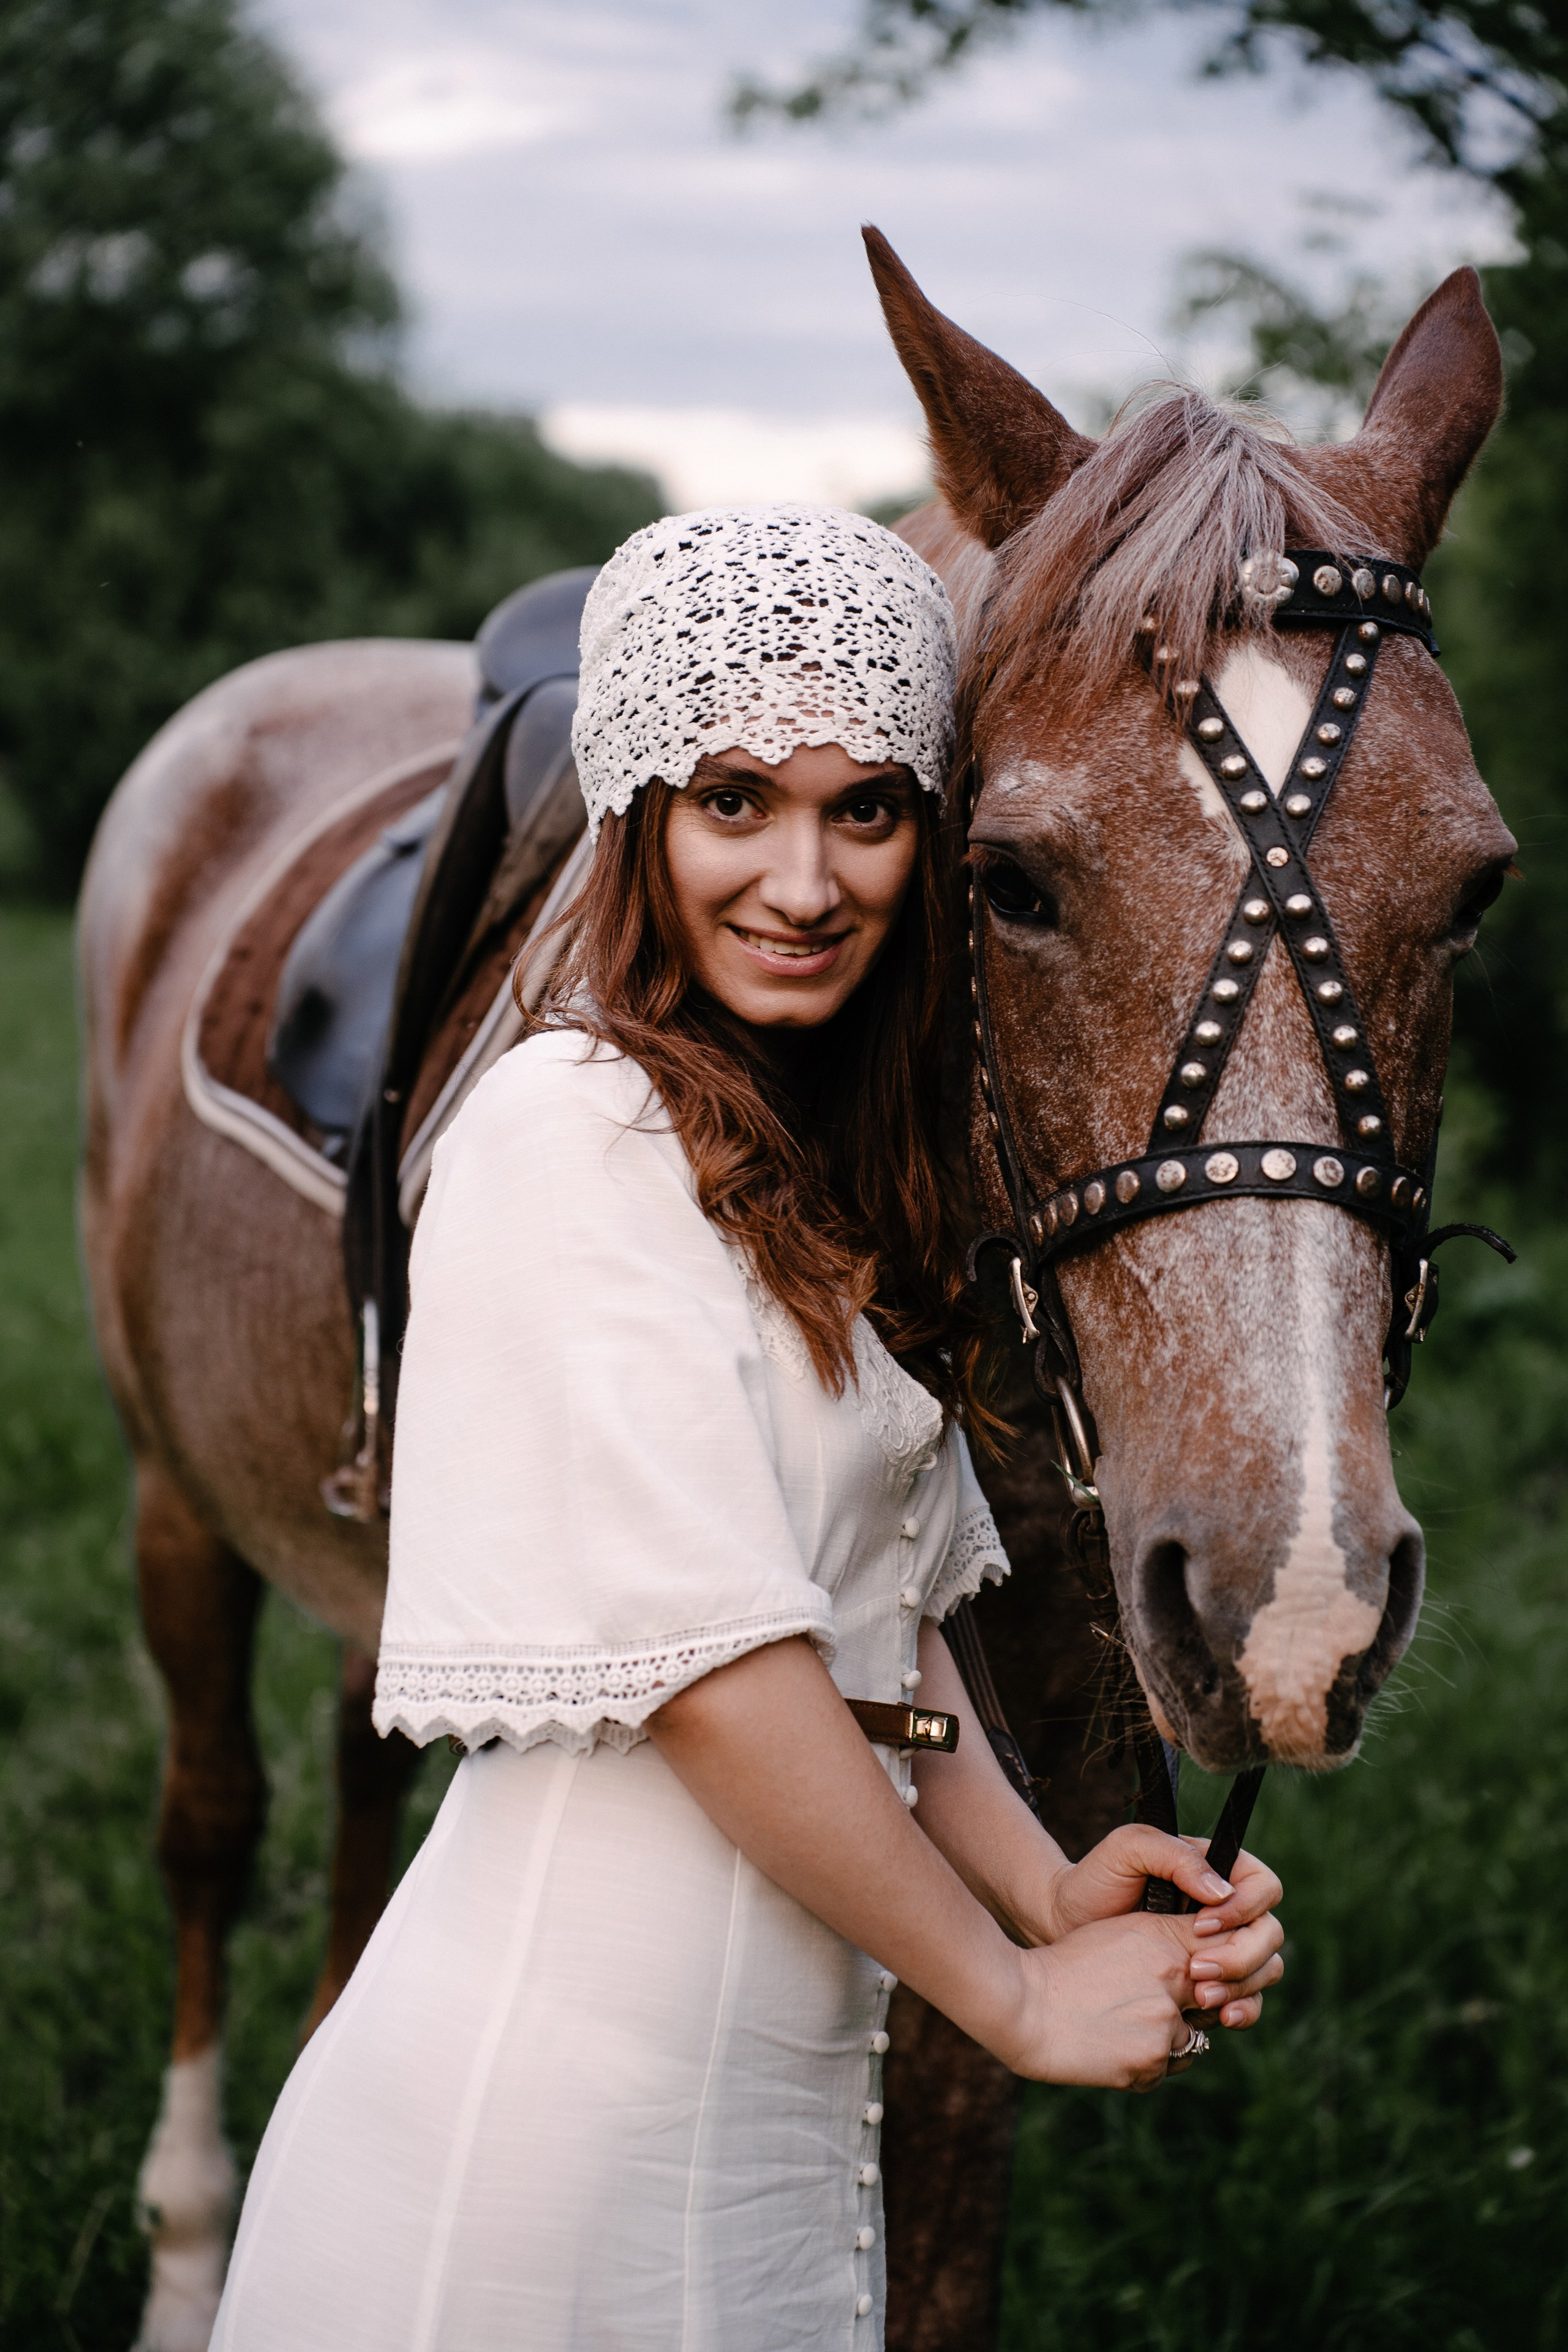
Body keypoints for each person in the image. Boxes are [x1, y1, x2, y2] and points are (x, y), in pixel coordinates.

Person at [211, 506, 1283, 2352]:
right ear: (637, 815)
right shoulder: (574, 1130)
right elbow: (725, 1669)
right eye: (734, 802)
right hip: (542, 2166)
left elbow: (877, 1624)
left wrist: (1045, 1882)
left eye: (865, 809)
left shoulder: (794, 1160)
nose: (805, 879)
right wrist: (1014, 2005)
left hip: (759, 2163)